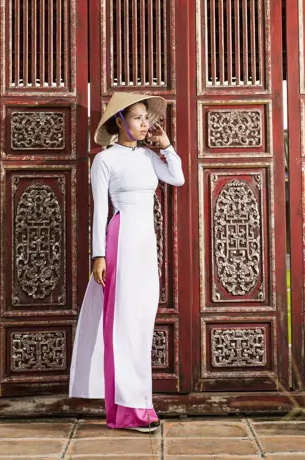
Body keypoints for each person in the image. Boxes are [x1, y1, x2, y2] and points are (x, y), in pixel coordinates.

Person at [69, 92, 185, 432]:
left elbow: (176, 177)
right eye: (137, 118)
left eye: (146, 118)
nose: (145, 123)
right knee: (122, 326)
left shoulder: (150, 158)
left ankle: (142, 404)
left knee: (140, 324)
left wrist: (166, 146)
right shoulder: (105, 160)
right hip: (120, 241)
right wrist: (99, 255)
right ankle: (128, 410)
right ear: (119, 121)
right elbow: (100, 211)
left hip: (145, 246)